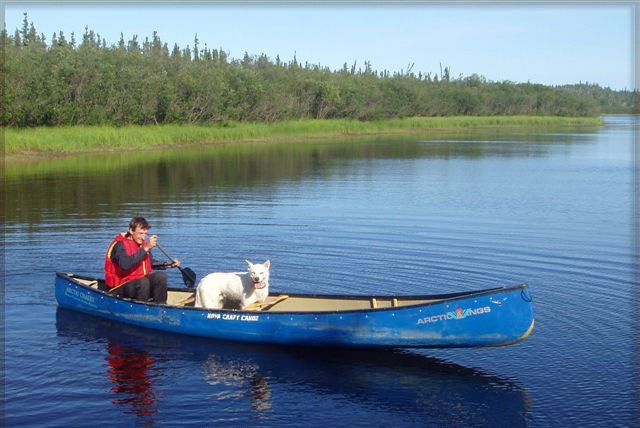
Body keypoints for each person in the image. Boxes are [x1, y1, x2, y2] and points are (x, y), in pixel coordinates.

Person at [104, 217, 180, 304]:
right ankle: (142, 309)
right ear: (131, 231)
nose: (143, 237)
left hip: (138, 285)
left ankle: (161, 306)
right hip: (118, 288)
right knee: (143, 282)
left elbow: (149, 262)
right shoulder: (119, 245)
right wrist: (146, 248)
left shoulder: (142, 244)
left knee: (161, 276)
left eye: (145, 233)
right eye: (140, 233)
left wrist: (168, 265)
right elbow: (125, 265)